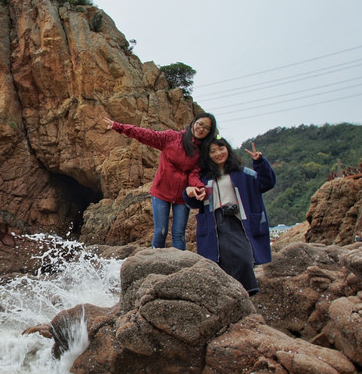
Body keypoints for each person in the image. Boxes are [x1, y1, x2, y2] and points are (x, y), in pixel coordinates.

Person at [102, 113, 217, 250]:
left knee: (179, 234)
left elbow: (194, 174)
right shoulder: (172, 137)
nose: (201, 129)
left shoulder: (202, 152)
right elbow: (145, 134)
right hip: (161, 191)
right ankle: (154, 263)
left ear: (209, 132)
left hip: (181, 196)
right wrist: (119, 127)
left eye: (207, 128)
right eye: (200, 124)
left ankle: (178, 266)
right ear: (193, 122)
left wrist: (199, 187)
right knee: (160, 232)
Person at [184, 138, 276, 296]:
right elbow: (193, 203)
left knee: (244, 257)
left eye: (221, 149)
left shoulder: (242, 173)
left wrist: (259, 162)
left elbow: (266, 183)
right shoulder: (204, 178)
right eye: (212, 151)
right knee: (218, 260)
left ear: (228, 149)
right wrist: (189, 192)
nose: (218, 153)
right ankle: (228, 296)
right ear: (207, 155)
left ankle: (247, 293)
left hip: (238, 220)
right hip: (214, 222)